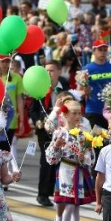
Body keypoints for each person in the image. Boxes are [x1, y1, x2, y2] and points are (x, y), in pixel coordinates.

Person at [46, 100, 97, 221]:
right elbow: (50, 159)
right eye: (74, 113)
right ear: (66, 115)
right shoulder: (60, 133)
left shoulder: (85, 134)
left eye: (79, 113)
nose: (77, 116)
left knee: (76, 207)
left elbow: (92, 157)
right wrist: (56, 146)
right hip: (65, 171)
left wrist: (84, 157)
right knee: (68, 205)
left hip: (80, 172)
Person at [28, 60, 69, 208]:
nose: (48, 73)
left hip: (62, 128)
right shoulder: (40, 85)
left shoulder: (64, 85)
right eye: (46, 70)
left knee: (60, 160)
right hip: (45, 129)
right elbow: (32, 109)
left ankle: (54, 190)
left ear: (58, 72)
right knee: (47, 160)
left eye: (51, 71)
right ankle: (42, 194)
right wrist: (37, 120)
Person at [84, 40, 111, 129]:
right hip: (93, 110)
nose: (103, 52)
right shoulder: (87, 69)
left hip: (110, 111)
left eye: (105, 50)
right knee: (95, 141)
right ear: (93, 51)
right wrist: (85, 89)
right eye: (100, 50)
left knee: (110, 140)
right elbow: (80, 90)